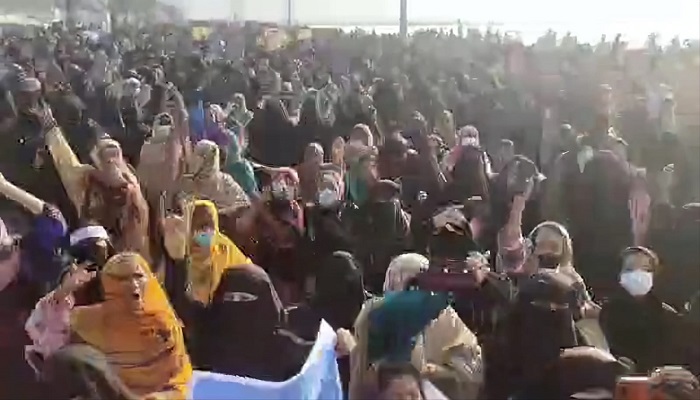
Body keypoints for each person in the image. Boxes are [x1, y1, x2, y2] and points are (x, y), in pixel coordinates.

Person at [29, 252, 193, 399]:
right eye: (123, 279)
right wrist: (60, 297)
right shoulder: (92, 321)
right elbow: (45, 339)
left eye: (138, 276)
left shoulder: (165, 325)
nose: (134, 284)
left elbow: (180, 379)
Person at [600, 246, 683, 372]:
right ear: (619, 274)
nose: (638, 275)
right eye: (630, 269)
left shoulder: (665, 312)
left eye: (645, 269)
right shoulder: (610, 311)